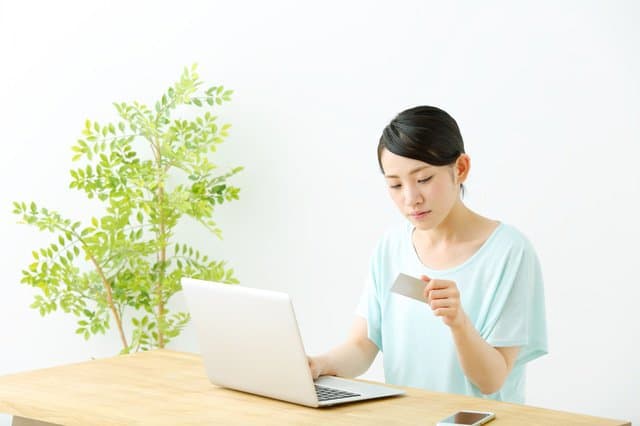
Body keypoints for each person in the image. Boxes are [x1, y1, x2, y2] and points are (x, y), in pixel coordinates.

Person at [307, 105, 547, 403]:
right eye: (395, 185)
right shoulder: (391, 247)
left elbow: (491, 380)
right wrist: (318, 365)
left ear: (460, 169)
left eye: (423, 180)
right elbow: (362, 345)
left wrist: (458, 322)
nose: (411, 198)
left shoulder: (508, 252)